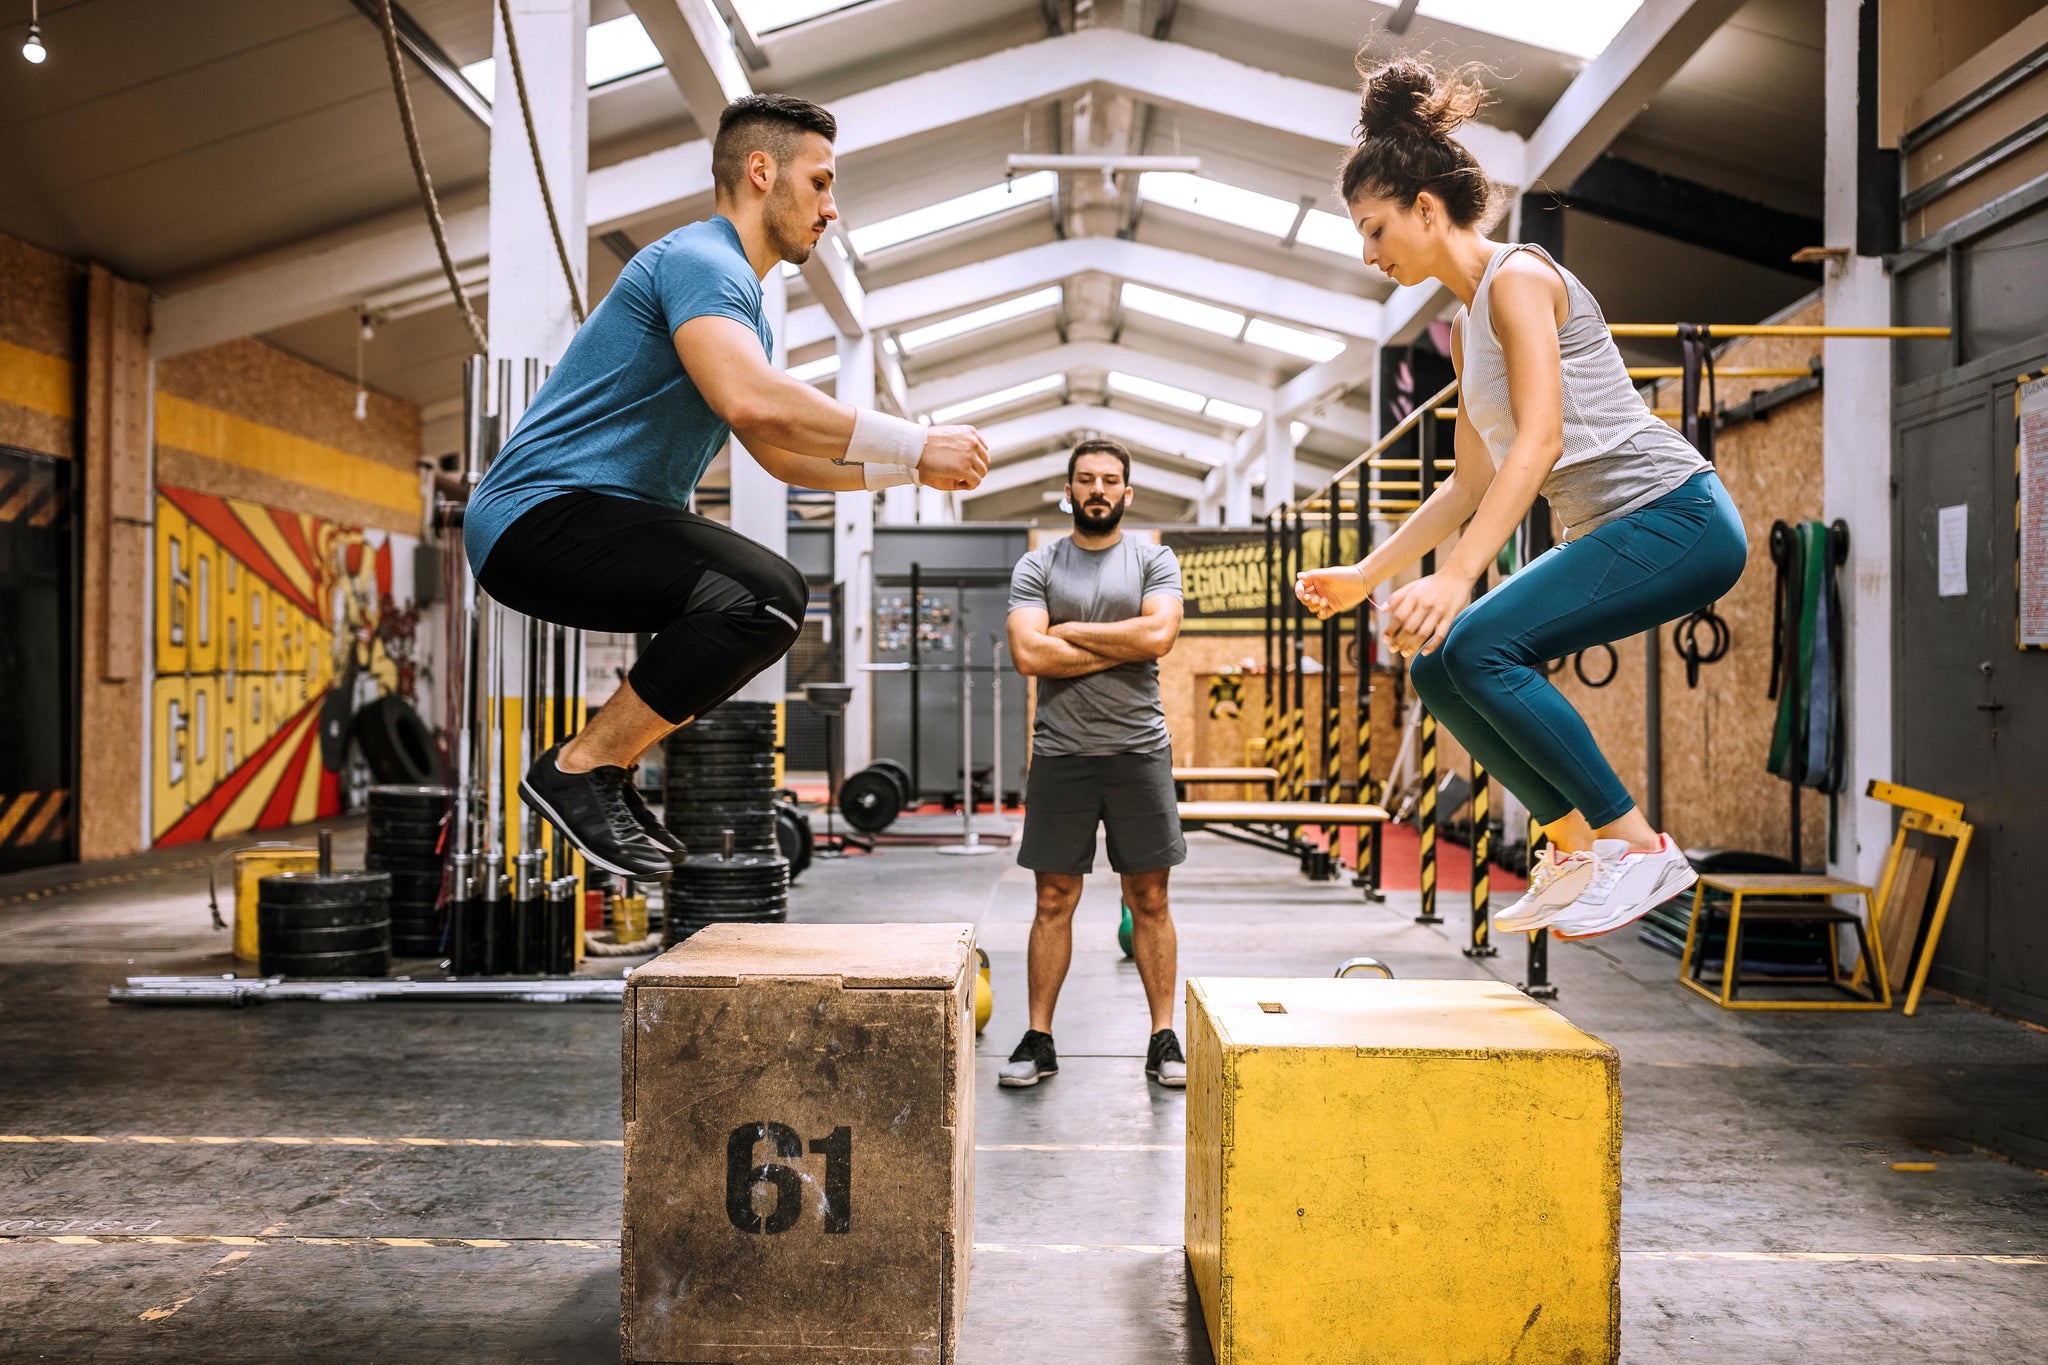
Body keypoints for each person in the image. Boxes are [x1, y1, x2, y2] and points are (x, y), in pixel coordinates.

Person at [463, 94, 989, 878]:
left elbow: (778, 454)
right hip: (537, 520)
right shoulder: (699, 262)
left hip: (589, 526)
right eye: (820, 183)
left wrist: (908, 468)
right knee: (764, 594)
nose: (832, 209)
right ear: (760, 171)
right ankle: (580, 769)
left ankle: (601, 769)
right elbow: (753, 399)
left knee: (756, 602)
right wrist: (914, 439)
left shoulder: (737, 300)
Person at [1295, 56, 1747, 940]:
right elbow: (1469, 479)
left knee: (1485, 643)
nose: (1369, 253)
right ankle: (1573, 845)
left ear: (1426, 208)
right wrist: (1372, 570)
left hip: (1677, 515)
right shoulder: (1465, 331)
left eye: (1374, 228)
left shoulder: (1520, 281)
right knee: (1439, 666)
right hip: (1620, 528)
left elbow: (1537, 443)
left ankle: (1637, 847)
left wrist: (1458, 577)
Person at [1001, 440, 1188, 1089]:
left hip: (1140, 751)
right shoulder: (1038, 563)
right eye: (1087, 479)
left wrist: (1069, 630)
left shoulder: (1153, 558)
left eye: (1110, 480)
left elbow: (1159, 635)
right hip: (1061, 753)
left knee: (1151, 897)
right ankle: (1039, 1036)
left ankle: (1164, 1035)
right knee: (1053, 897)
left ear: (1127, 493)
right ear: (1071, 489)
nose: (1098, 489)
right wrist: (1123, 640)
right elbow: (1029, 654)